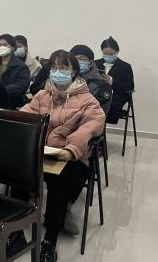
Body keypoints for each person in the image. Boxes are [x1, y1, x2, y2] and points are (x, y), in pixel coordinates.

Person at [7, 50, 105, 262]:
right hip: (42, 152)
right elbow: (26, 116)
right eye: (54, 68)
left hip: (70, 156)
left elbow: (91, 126)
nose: (57, 72)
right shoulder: (43, 95)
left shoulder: (87, 100)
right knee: (18, 172)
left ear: (74, 72)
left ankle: (50, 239)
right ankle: (15, 232)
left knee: (59, 182)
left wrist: (71, 149)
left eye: (63, 68)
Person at [95, 37, 134, 124]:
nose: (108, 56)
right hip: (97, 93)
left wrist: (112, 81)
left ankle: (97, 128)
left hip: (116, 95)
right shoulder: (95, 63)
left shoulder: (125, 67)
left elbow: (129, 86)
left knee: (99, 107)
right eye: (105, 53)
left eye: (111, 54)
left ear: (117, 52)